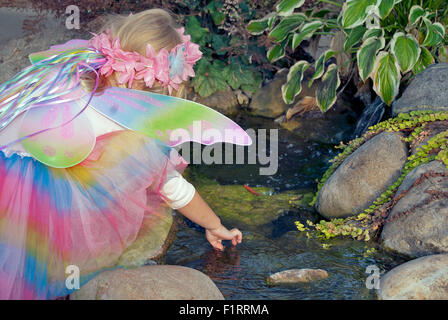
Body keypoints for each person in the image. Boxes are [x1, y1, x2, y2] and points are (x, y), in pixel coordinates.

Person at [0, 8, 244, 299]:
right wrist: (215, 226)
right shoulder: (136, 136)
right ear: (164, 88)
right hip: (62, 224)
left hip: (13, 185)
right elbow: (176, 189)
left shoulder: (66, 78)